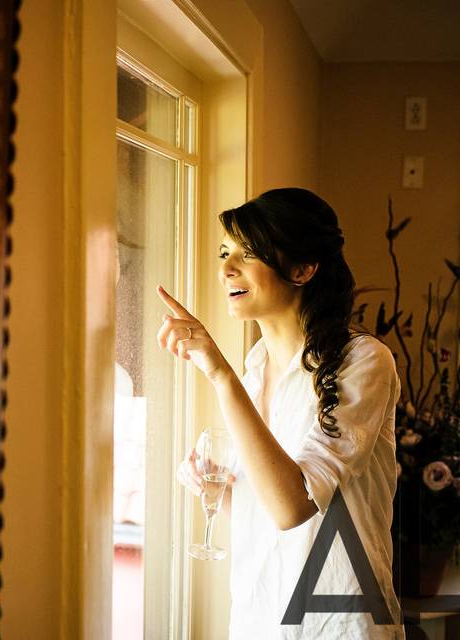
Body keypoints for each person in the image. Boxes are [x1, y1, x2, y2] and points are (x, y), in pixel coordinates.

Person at [157, 188, 403, 639]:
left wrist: (218, 374)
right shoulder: (252, 372)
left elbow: (296, 506)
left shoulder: (363, 361)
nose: (226, 268)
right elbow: (267, 511)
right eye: (225, 252)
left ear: (303, 268)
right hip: (258, 618)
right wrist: (216, 488)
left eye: (247, 253)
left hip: (338, 624)